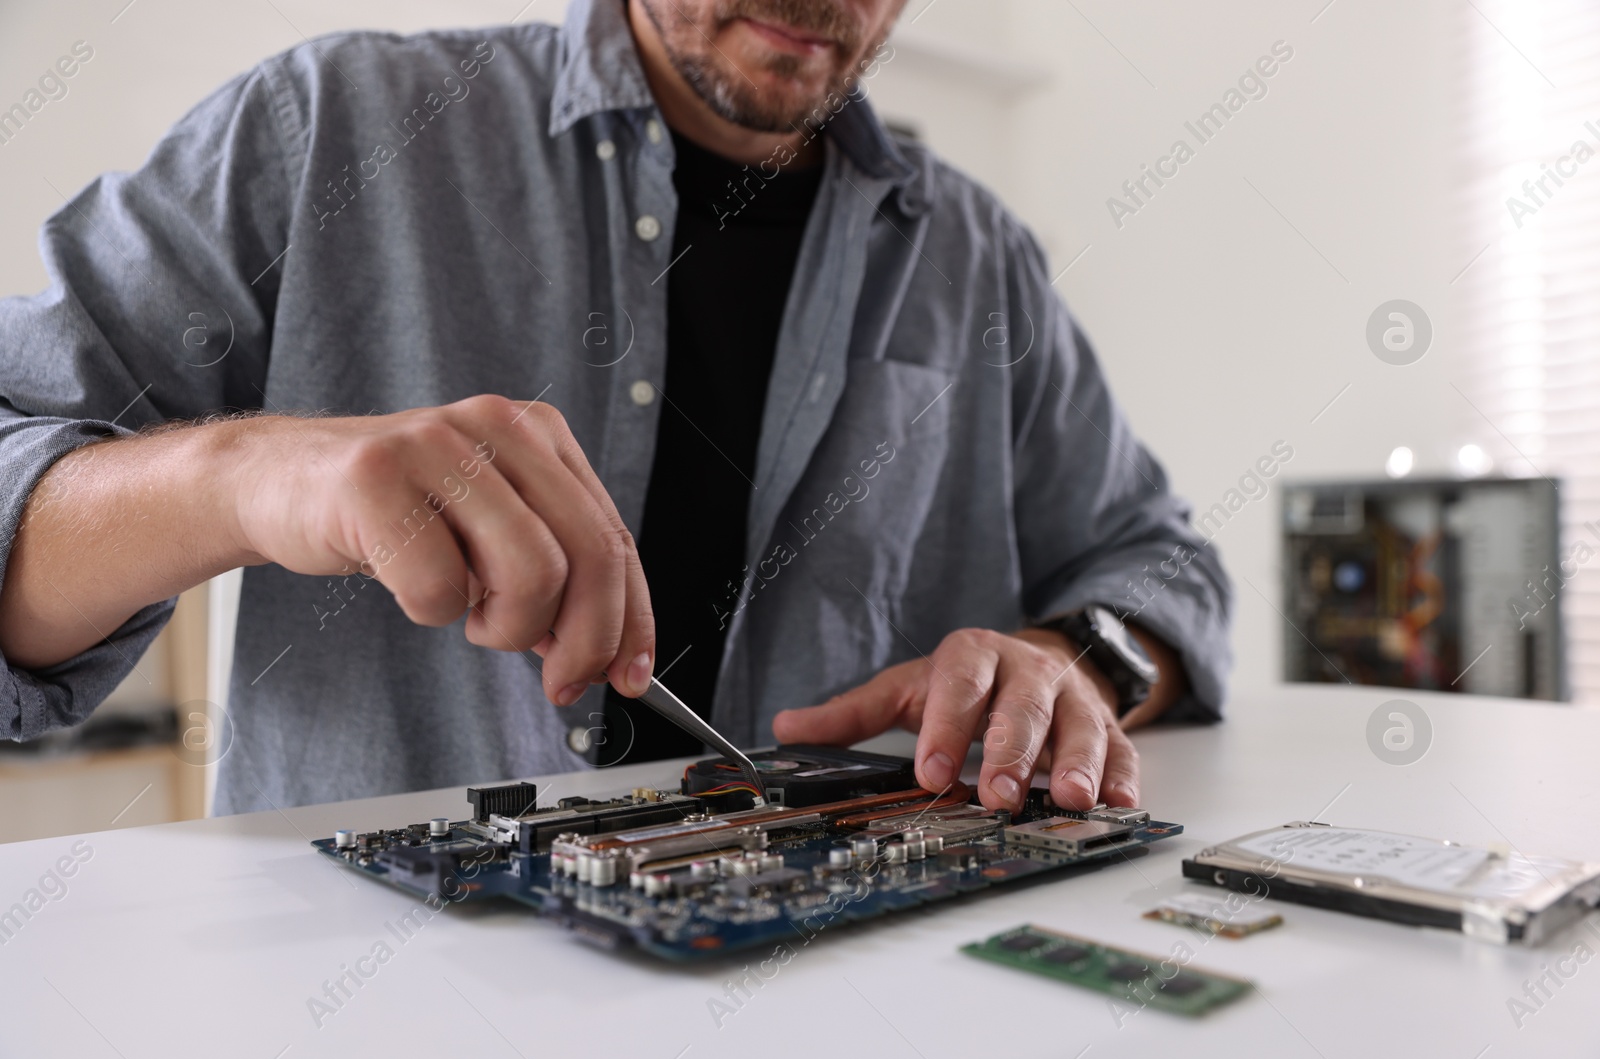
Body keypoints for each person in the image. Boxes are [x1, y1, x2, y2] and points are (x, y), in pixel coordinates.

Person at [0, 0, 1230, 817]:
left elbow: (1164, 561)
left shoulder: (978, 256)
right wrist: (251, 477)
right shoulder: (326, 128)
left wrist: (1077, 659)